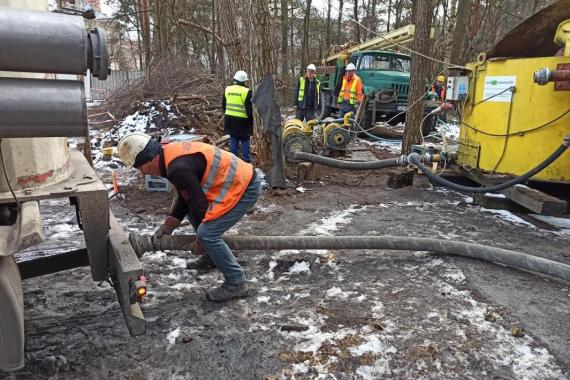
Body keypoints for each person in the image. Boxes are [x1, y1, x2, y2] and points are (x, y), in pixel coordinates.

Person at [117, 133, 261, 302]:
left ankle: (237, 283)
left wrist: (201, 241)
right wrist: (169, 225)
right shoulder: (169, 155)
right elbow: (187, 195)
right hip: (236, 183)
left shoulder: (177, 168)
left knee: (208, 234)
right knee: (196, 218)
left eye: (139, 167)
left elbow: (198, 203)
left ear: (149, 159)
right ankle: (212, 256)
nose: (142, 174)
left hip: (244, 189)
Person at [222, 70, 254, 163]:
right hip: (243, 120)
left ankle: (233, 162)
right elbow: (249, 109)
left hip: (229, 119)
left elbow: (223, 105)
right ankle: (246, 161)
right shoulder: (247, 91)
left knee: (233, 139)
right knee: (245, 140)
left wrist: (227, 114)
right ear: (244, 81)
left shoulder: (227, 89)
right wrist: (251, 121)